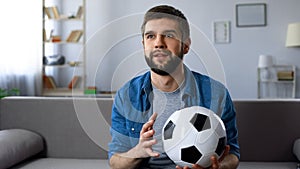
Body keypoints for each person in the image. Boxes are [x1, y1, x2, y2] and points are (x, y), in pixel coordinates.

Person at [108, 5, 240, 169]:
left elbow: (233, 154)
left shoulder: (216, 94)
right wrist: (139, 151)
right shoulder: (126, 95)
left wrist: (219, 167)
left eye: (169, 35)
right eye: (150, 36)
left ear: (186, 45)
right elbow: (115, 162)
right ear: (143, 45)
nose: (158, 43)